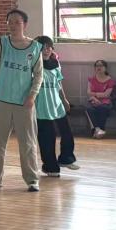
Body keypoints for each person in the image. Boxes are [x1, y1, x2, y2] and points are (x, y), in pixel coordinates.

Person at [0, 9, 43, 192]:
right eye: (10, 22)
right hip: (3, 100)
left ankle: (32, 179)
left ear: (25, 24)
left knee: (27, 142)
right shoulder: (3, 42)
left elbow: (39, 75)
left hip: (25, 102)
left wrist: (32, 95)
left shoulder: (35, 47)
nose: (13, 25)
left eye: (17, 22)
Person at [34, 36, 79, 176]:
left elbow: (59, 84)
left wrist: (64, 99)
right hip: (42, 106)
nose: (46, 50)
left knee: (67, 133)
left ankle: (66, 159)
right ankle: (50, 167)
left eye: (49, 47)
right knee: (47, 137)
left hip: (57, 104)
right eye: (43, 47)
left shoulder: (55, 63)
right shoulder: (32, 65)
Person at [86, 60, 116, 139]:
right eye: (97, 66)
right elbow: (88, 92)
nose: (98, 67)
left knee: (102, 108)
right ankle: (98, 130)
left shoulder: (110, 81)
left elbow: (106, 94)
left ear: (105, 68)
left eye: (101, 65)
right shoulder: (91, 79)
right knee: (89, 109)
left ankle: (99, 130)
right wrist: (94, 98)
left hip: (106, 102)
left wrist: (95, 95)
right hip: (93, 100)